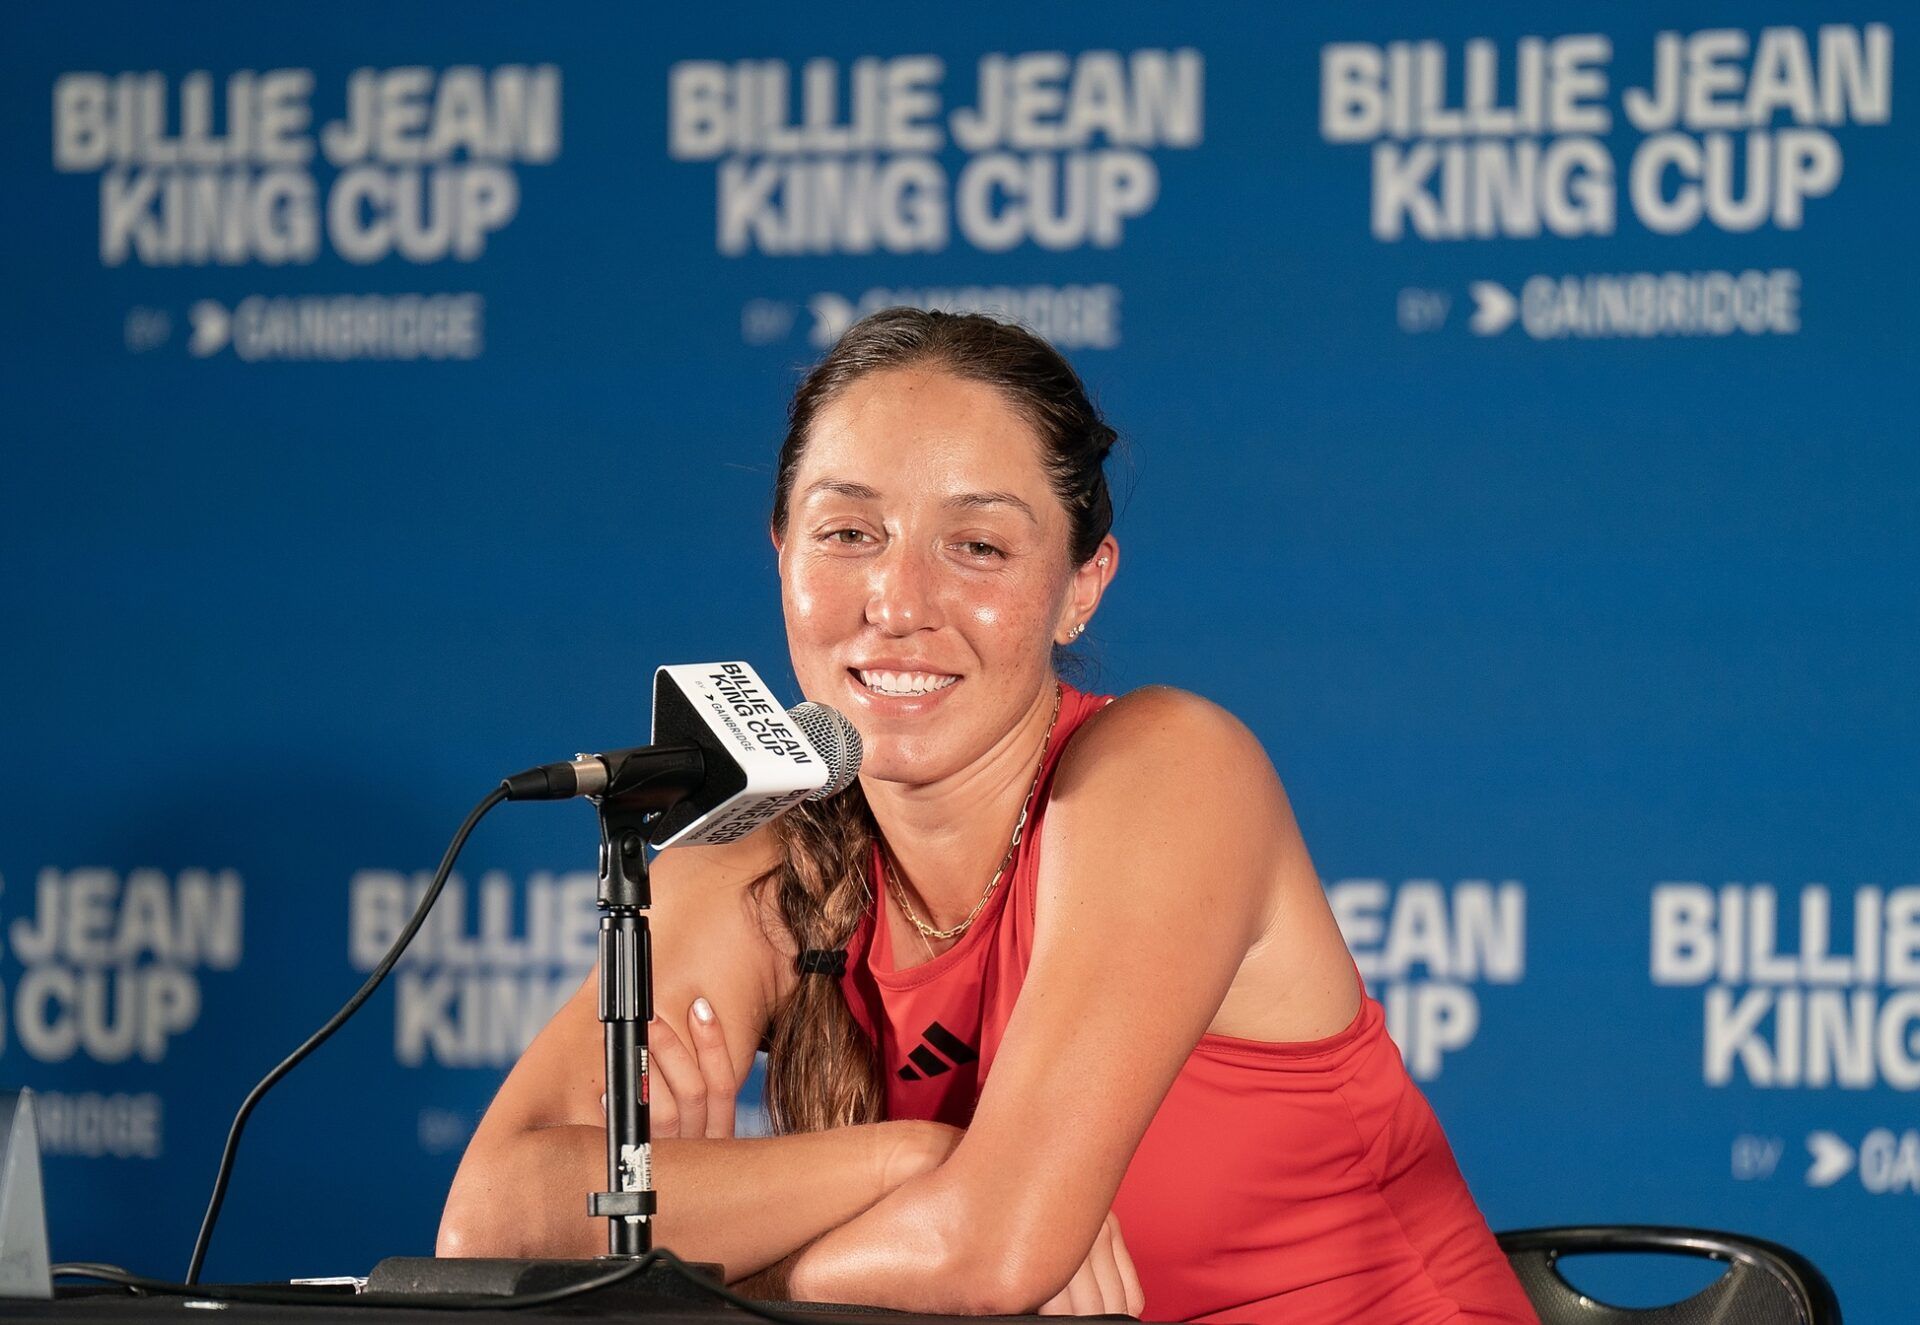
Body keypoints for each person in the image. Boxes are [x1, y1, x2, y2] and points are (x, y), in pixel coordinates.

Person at [438, 309, 1538, 1324]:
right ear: (780, 547)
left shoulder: (1168, 770)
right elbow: (490, 1223)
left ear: (1081, 584)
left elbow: (996, 1251)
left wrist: (684, 1269)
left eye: (978, 547)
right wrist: (907, 1164)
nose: (899, 602)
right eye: (849, 532)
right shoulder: (762, 852)